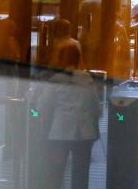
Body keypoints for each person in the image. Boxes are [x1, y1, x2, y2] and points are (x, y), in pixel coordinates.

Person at [37, 45, 102, 189]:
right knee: (81, 173)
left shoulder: (56, 79)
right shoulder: (87, 79)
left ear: (61, 59)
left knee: (57, 173)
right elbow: (96, 107)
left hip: (60, 133)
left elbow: (43, 106)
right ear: (79, 59)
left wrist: (36, 110)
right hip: (84, 134)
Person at [78, 0, 102, 68]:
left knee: (87, 60)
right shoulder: (103, 3)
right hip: (100, 37)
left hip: (87, 36)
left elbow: (79, 18)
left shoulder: (86, 3)